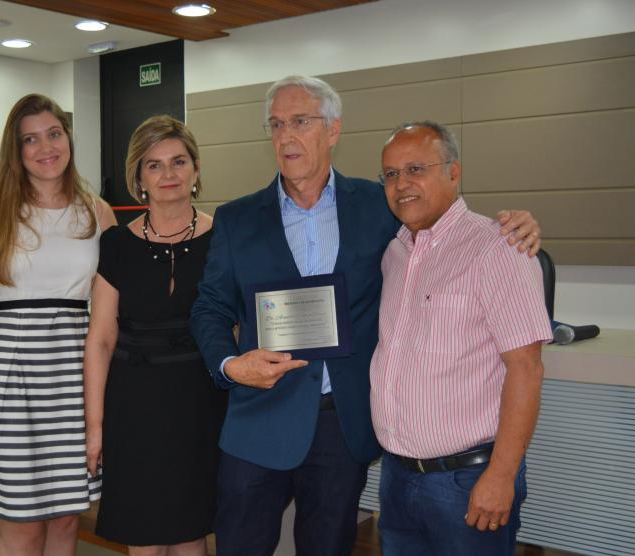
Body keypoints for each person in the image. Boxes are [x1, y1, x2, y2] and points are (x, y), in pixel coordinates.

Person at [190, 75, 542, 556]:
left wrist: (518, 224)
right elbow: (210, 306)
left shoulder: (382, 206)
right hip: (259, 421)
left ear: (332, 130)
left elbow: (445, 218)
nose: (286, 136)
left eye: (300, 121)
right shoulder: (236, 218)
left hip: (343, 427)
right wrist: (231, 365)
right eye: (275, 125)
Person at [370, 121, 553, 555]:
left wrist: (502, 475)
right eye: (391, 174)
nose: (402, 184)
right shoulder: (394, 253)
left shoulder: (498, 248)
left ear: (454, 172)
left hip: (468, 480)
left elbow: (526, 369)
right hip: (397, 476)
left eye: (416, 168)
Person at [0, 93, 117, 555]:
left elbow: (108, 311)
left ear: (68, 138)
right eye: (31, 139)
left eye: (54, 133)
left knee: (66, 519)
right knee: (21, 524)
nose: (46, 147)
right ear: (16, 150)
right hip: (9, 373)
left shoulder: (97, 211)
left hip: (72, 373)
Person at [84, 115, 227, 556]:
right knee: (144, 541)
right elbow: (101, 339)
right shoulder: (116, 244)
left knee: (191, 537)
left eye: (179, 161)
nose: (168, 174)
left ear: (196, 170)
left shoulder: (225, 238)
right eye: (154, 165)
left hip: (200, 403)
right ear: (139, 178)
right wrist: (95, 426)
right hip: (133, 407)